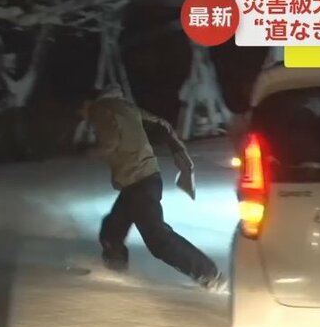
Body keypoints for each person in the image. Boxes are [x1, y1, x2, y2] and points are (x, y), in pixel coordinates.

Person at [81, 83, 227, 292]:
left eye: (80, 109)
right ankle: (115, 271)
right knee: (112, 231)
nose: (82, 115)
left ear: (88, 103)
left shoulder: (100, 109)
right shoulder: (124, 107)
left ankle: (209, 274)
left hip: (138, 182)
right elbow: (160, 123)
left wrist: (88, 152)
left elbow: (110, 143)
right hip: (143, 180)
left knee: (158, 240)